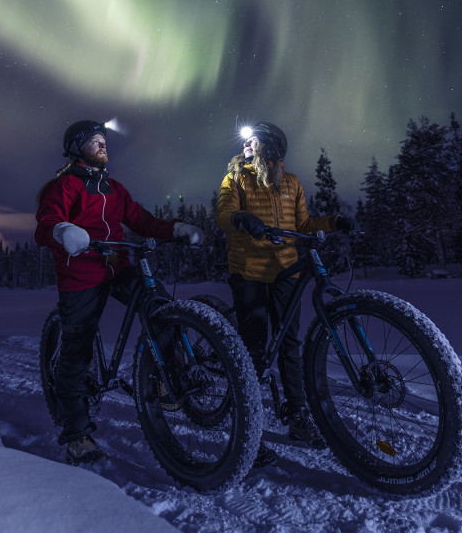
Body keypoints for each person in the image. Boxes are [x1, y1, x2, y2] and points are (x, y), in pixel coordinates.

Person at [36, 120, 204, 465]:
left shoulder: (114, 188)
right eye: (94, 141)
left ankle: (163, 380)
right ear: (77, 149)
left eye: (104, 140)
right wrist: (64, 231)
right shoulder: (64, 186)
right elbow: (46, 224)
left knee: (161, 307)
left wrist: (176, 228)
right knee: (76, 350)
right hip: (81, 274)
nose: (102, 145)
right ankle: (76, 434)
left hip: (118, 265)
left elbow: (142, 221)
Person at [215, 121, 355, 464]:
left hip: (286, 270)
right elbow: (223, 213)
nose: (246, 145)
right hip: (249, 270)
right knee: (252, 347)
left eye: (253, 140)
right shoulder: (236, 177)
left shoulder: (291, 182)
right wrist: (241, 219)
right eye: (246, 141)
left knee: (289, 344)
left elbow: (302, 224)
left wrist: (334, 222)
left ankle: (297, 416)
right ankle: (247, 428)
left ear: (270, 146)